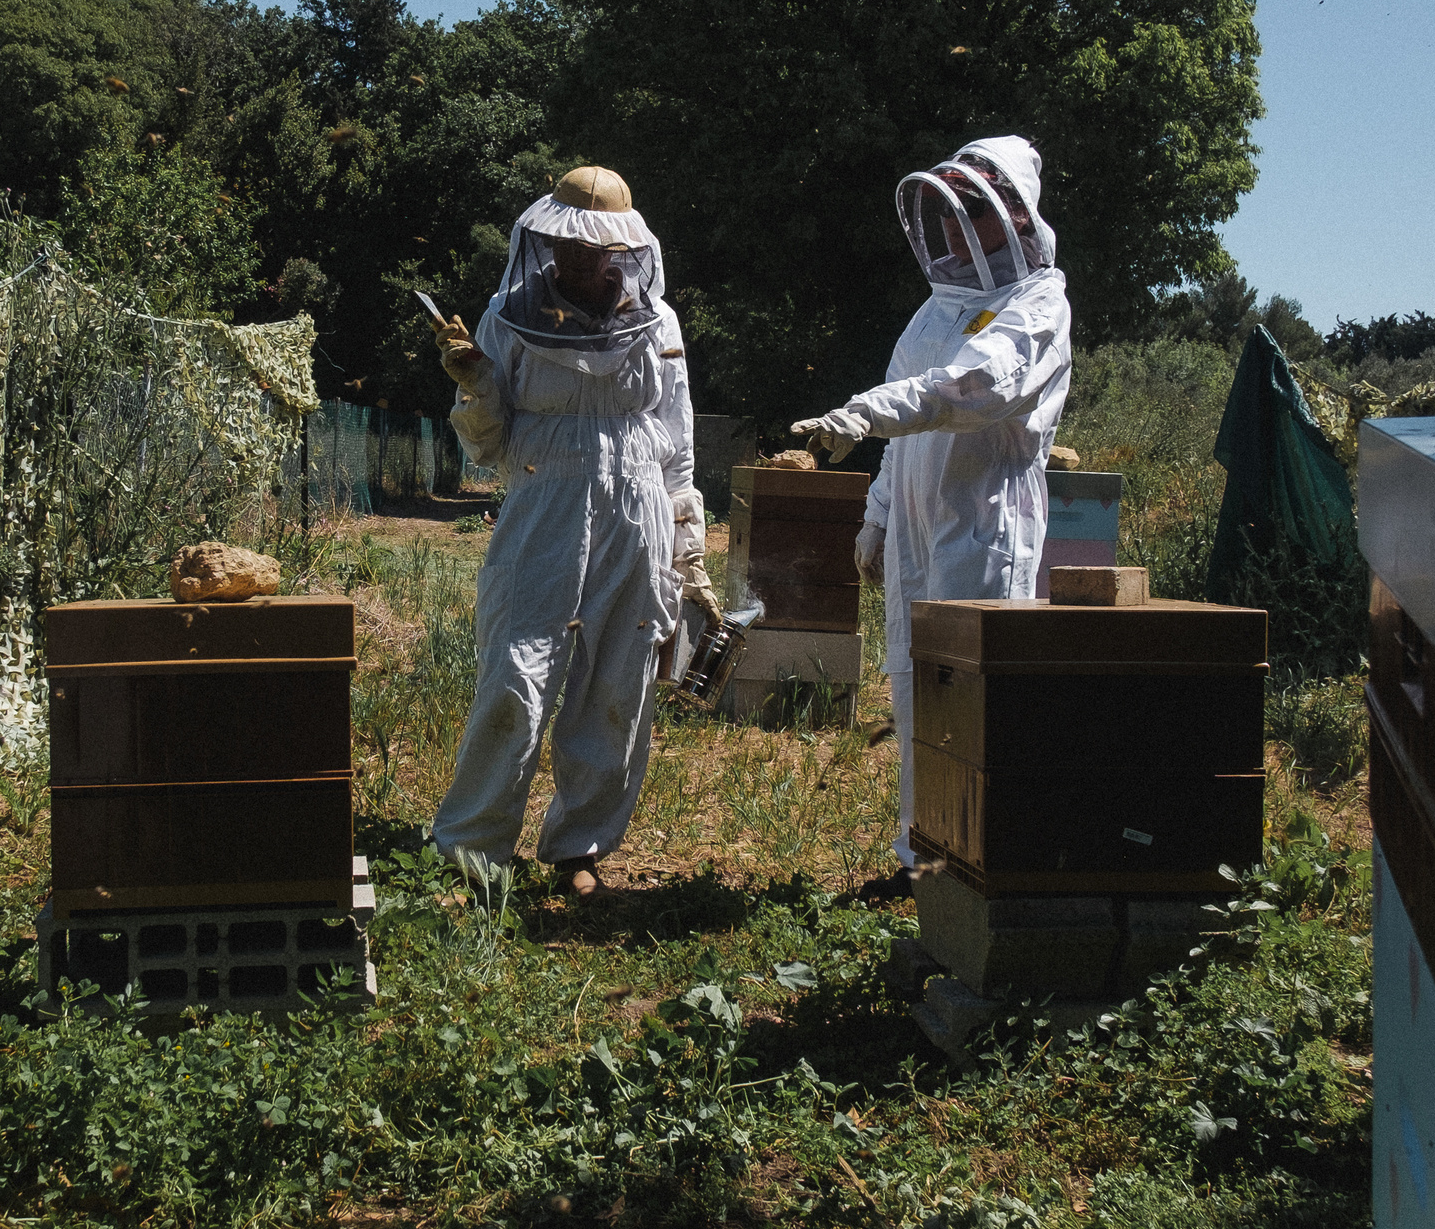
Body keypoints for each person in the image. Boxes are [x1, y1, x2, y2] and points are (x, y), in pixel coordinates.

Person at [787, 136, 1073, 895]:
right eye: (946, 212)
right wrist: (877, 516)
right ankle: (923, 860)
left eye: (972, 210)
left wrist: (862, 414)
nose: (954, 229)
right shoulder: (935, 311)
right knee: (916, 693)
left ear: (1015, 213)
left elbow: (972, 388)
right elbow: (905, 436)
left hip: (984, 527)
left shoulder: (1038, 305)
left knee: (972, 700)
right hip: (918, 528)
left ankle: (976, 868)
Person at [428, 166, 716, 897]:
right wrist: (473, 384)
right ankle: (473, 847)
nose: (579, 259)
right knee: (516, 671)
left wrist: (690, 552)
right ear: (547, 239)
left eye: (595, 248)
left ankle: (577, 850)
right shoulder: (506, 313)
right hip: (544, 499)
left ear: (622, 248)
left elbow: (677, 442)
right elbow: (489, 446)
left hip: (640, 507)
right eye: (566, 244)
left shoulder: (662, 323)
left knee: (619, 679)